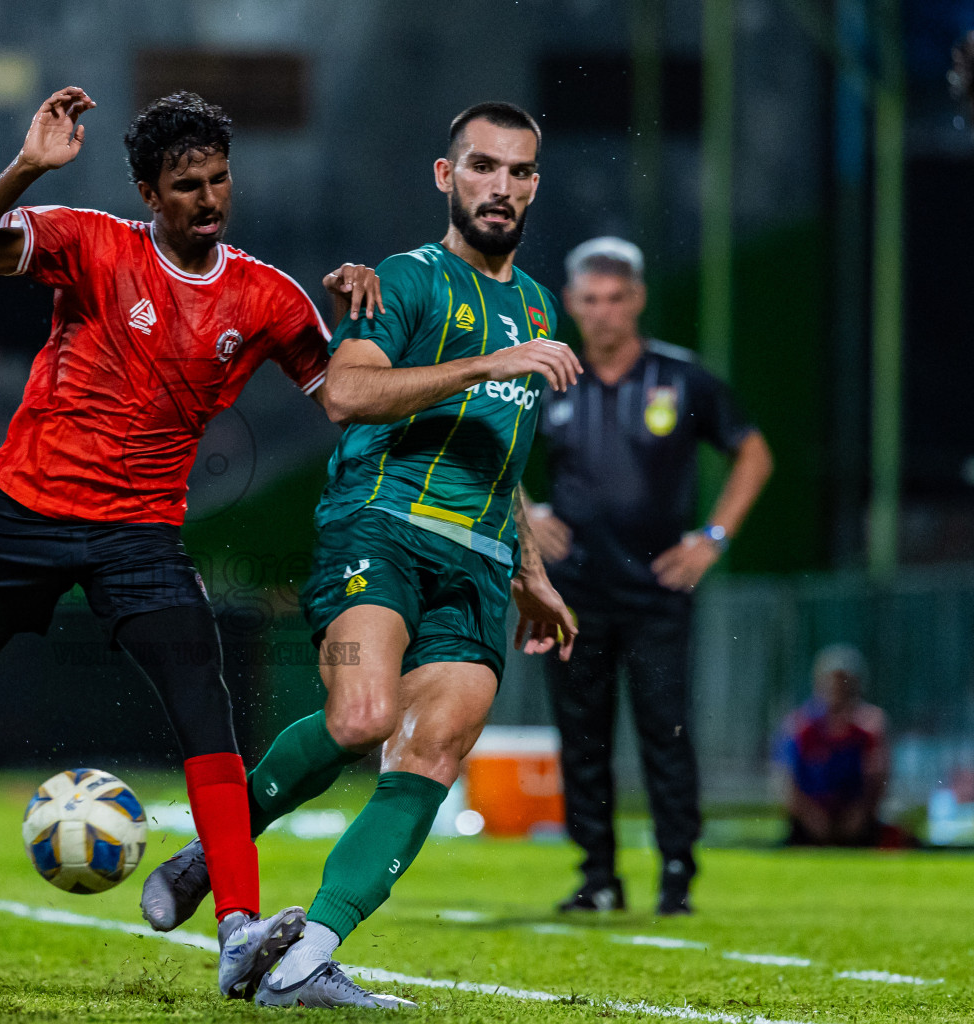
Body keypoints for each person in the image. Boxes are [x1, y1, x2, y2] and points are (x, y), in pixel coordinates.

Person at [0, 87, 384, 1003]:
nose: (208, 200)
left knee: (204, 710)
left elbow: (343, 396)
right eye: (186, 185)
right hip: (23, 515)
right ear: (147, 192)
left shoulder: (268, 298)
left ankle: (239, 932)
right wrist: (24, 169)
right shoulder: (89, 240)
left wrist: (365, 319)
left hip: (140, 536)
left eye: (219, 180)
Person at [142, 101, 582, 1009]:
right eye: (483, 167)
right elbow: (344, 393)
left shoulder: (536, 305)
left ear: (536, 184)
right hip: (377, 530)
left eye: (520, 172)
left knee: (433, 753)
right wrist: (483, 367)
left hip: (479, 565)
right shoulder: (404, 282)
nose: (501, 187)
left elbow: (503, 463)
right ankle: (217, 848)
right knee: (360, 718)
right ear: (444, 176)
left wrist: (532, 574)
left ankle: (307, 959)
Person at [525, 236, 773, 915]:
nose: (603, 313)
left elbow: (753, 455)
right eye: (590, 300)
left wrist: (712, 537)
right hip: (572, 592)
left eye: (616, 298)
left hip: (660, 591)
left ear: (636, 300)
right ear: (571, 303)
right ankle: (598, 874)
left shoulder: (683, 378)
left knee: (666, 730)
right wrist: (525, 511)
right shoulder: (550, 378)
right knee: (581, 735)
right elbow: (489, 449)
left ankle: (676, 872)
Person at [777, 645, 888, 847]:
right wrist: (811, 818)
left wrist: (860, 814)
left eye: (845, 686)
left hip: (856, 820)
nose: (838, 692)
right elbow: (788, 780)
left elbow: (877, 777)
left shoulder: (868, 728)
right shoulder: (800, 727)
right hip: (809, 821)